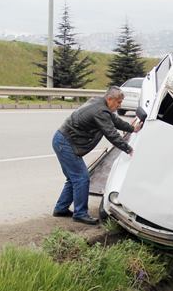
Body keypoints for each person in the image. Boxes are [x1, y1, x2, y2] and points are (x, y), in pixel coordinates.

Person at [52, 86, 141, 224]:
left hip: (63, 140)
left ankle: (61, 208)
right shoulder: (100, 111)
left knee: (73, 178)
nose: (120, 105)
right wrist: (128, 149)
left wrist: (132, 129)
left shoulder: (100, 103)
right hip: (66, 143)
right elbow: (111, 133)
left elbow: (115, 121)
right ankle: (80, 213)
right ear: (110, 99)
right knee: (82, 178)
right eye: (118, 102)